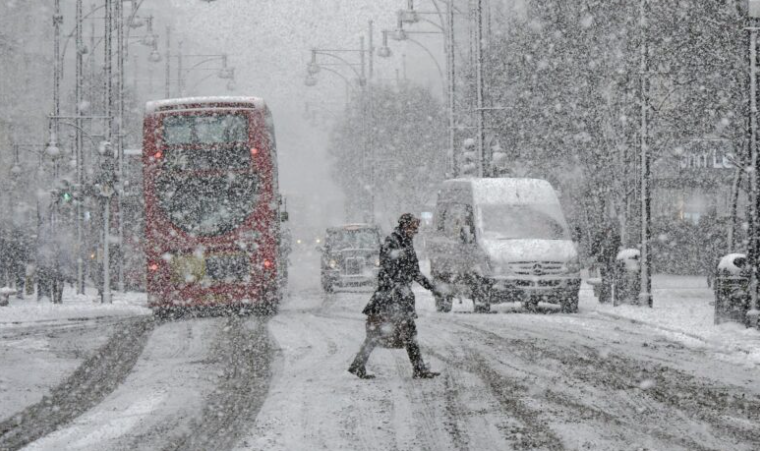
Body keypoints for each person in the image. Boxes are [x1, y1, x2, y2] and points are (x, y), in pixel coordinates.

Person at [348, 213, 441, 380]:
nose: (415, 232)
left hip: (398, 296)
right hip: (390, 297)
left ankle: (358, 365)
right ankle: (359, 365)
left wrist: (430, 287)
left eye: (415, 229)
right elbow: (387, 270)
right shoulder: (393, 242)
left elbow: (414, 272)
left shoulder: (406, 243)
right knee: (382, 333)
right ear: (404, 227)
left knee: (403, 331)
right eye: (412, 228)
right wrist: (396, 288)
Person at [591, 222, 622, 304]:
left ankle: (606, 296)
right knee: (606, 278)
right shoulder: (600, 238)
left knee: (608, 279)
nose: (607, 231)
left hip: (611, 261)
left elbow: (617, 247)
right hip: (605, 261)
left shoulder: (615, 238)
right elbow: (594, 249)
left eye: (608, 229)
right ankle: (605, 296)